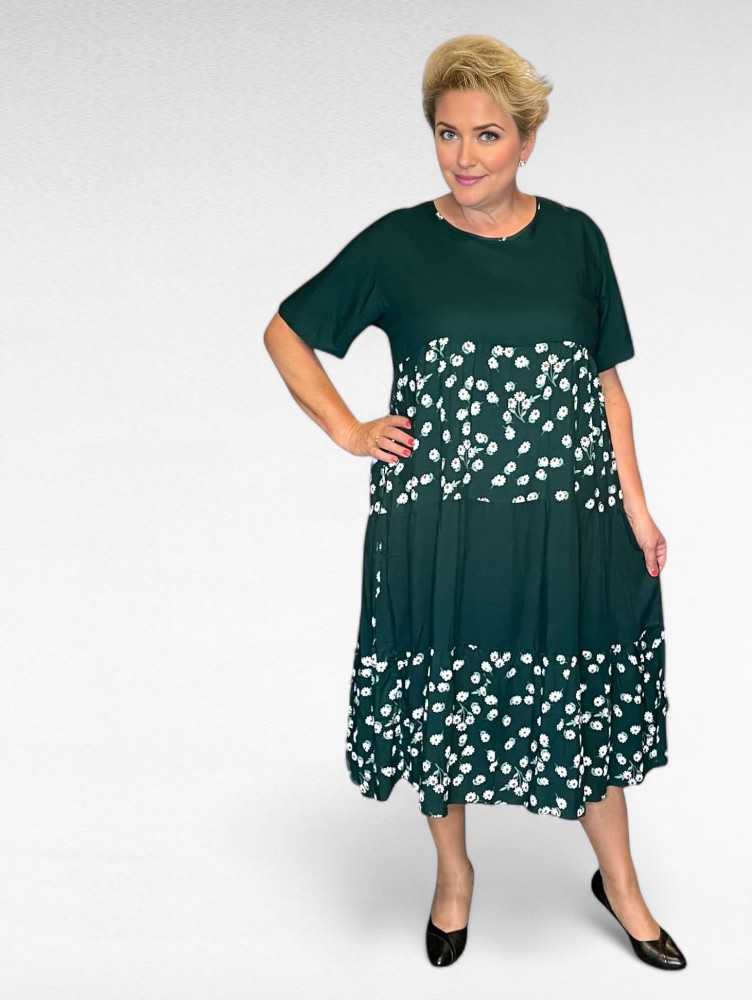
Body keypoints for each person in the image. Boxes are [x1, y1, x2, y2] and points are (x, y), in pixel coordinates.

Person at [263, 34, 685, 971]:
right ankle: (454, 876)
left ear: (527, 141)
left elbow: (606, 387)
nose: (463, 156)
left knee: (580, 692)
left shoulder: (577, 240)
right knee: (441, 692)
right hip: (442, 525)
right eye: (447, 133)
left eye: (487, 135)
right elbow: (287, 332)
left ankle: (620, 885)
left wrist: (637, 507)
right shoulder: (397, 244)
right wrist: (348, 429)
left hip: (566, 521)